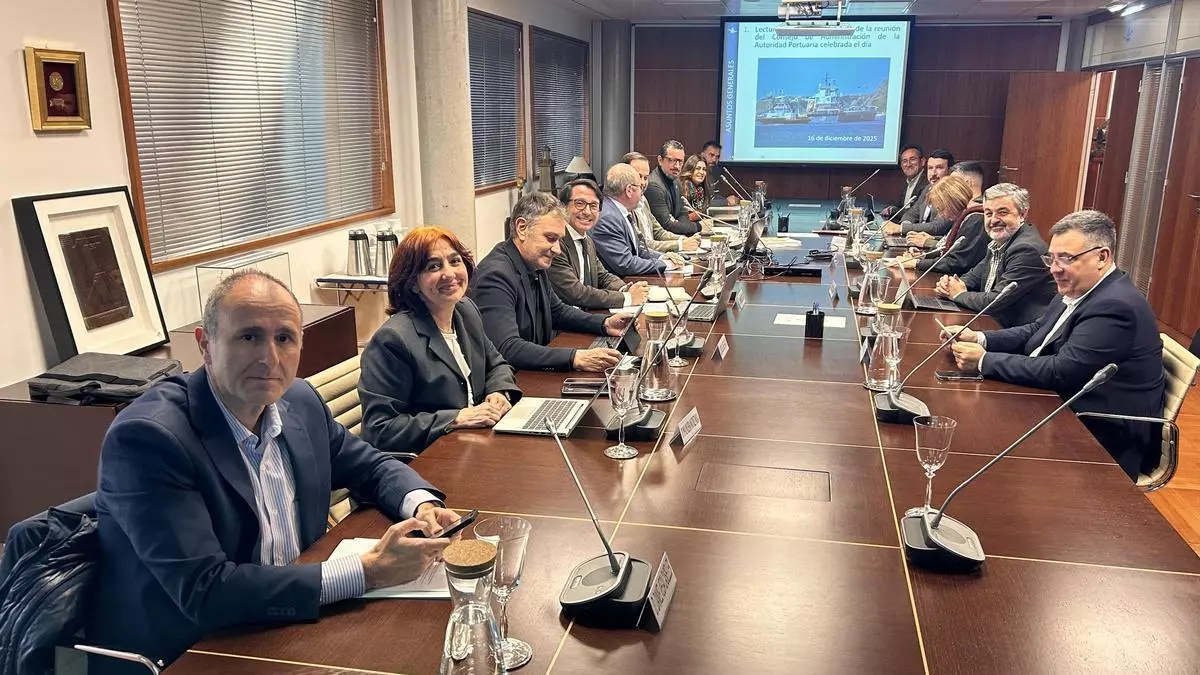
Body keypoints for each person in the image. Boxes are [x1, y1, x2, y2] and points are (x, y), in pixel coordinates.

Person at [90, 270, 460, 673]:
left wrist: (420, 505)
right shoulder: (149, 439)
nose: (269, 358)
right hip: (195, 650)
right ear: (205, 345)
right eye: (249, 337)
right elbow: (206, 591)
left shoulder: (299, 401)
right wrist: (367, 572)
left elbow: (370, 466)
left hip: (292, 621)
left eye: (284, 338)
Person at [943, 211, 1165, 480]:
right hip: (1058, 405)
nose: (1055, 269)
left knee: (981, 448)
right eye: (1052, 258)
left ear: (1102, 257)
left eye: (1066, 258)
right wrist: (980, 338)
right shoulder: (1078, 287)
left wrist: (984, 360)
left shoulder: (1115, 306)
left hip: (1101, 432)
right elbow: (1037, 330)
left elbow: (1063, 370)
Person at [358, 226, 523, 454]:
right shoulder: (393, 340)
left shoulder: (465, 311)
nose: (449, 273)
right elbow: (380, 430)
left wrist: (499, 392)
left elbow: (496, 364)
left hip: (472, 444)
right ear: (412, 282)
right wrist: (455, 418)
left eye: (455, 261)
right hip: (427, 458)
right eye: (433, 267)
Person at [470, 192, 634, 372]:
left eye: (559, 240)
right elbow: (507, 348)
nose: (557, 249)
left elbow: (557, 311)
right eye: (550, 238)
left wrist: (604, 323)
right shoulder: (495, 276)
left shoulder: (533, 263)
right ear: (522, 228)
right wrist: (574, 358)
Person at [934, 183, 1056, 328]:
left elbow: (996, 300)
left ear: (1022, 214)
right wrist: (950, 284)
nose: (993, 220)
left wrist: (958, 294)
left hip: (1015, 330)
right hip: (992, 322)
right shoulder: (1000, 242)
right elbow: (973, 277)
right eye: (988, 213)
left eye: (1002, 212)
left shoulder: (1026, 249)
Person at [547, 178, 650, 309]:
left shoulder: (587, 239)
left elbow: (603, 276)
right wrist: (627, 298)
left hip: (587, 314)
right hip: (564, 319)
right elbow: (575, 293)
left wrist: (626, 288)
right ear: (563, 206)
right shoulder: (556, 242)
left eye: (593, 206)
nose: (587, 212)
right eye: (580, 203)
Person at [593, 162, 687, 277]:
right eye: (639, 187)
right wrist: (666, 264)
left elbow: (639, 250)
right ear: (629, 190)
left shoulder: (621, 211)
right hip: (620, 282)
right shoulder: (608, 218)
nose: (642, 191)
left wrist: (663, 257)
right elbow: (626, 264)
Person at [895, 173, 986, 276]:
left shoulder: (976, 219)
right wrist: (923, 256)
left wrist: (916, 263)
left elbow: (957, 263)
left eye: (941, 208)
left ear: (951, 202)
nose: (941, 215)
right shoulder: (964, 216)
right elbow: (950, 247)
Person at [624, 151, 701, 253]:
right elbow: (643, 245)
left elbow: (659, 232)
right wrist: (680, 245)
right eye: (638, 176)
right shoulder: (626, 207)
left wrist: (683, 239)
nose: (642, 182)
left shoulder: (643, 199)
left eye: (645, 178)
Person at [886, 148, 954, 235]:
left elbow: (937, 227)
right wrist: (905, 227)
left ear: (950, 171)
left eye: (939, 168)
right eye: (930, 168)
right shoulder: (928, 188)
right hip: (917, 238)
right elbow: (911, 214)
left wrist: (901, 228)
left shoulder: (952, 193)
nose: (933, 173)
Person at [645, 139, 700, 235]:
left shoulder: (676, 181)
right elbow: (666, 224)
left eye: (680, 161)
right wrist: (698, 226)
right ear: (660, 160)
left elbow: (682, 213)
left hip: (677, 237)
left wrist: (685, 228)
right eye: (672, 160)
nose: (677, 166)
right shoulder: (653, 185)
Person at [882, 144, 927, 219]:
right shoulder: (909, 181)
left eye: (912, 159)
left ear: (922, 161)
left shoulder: (927, 183)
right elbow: (901, 205)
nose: (908, 164)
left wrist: (892, 210)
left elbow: (917, 213)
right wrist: (889, 208)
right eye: (904, 161)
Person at [700, 140, 740, 206]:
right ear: (702, 155)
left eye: (717, 157)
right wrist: (725, 202)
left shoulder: (715, 171)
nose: (714, 160)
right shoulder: (697, 174)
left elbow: (714, 196)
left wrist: (729, 200)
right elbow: (700, 202)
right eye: (711, 155)